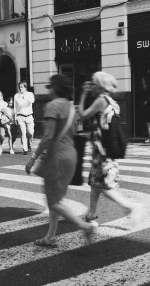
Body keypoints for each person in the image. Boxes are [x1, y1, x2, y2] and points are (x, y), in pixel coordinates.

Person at [25, 74, 96, 247]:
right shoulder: (71, 108)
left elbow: (48, 136)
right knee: (55, 200)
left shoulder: (52, 106)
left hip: (57, 156)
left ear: (55, 88)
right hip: (71, 155)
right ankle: (50, 237)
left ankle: (85, 226)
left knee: (54, 202)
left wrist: (33, 157)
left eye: (50, 87)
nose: (48, 90)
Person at [78, 71, 142, 226]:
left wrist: (82, 94)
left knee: (103, 185)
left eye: (93, 83)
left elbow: (82, 114)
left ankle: (130, 207)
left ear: (98, 85)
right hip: (106, 148)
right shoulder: (112, 101)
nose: (91, 86)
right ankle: (91, 215)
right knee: (95, 183)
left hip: (102, 151)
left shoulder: (101, 101)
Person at [14, 82, 35, 154]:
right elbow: (15, 107)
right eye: (19, 87)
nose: (20, 88)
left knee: (30, 133)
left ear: (25, 87)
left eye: (22, 87)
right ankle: (25, 149)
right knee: (23, 133)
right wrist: (15, 117)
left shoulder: (30, 94)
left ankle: (29, 145)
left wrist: (24, 97)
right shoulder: (16, 95)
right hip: (20, 116)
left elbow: (32, 101)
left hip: (29, 116)